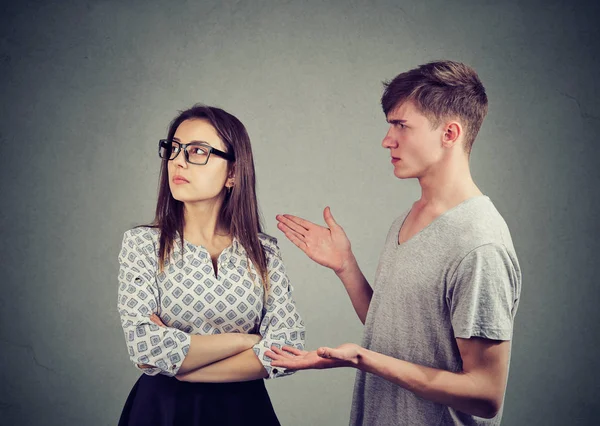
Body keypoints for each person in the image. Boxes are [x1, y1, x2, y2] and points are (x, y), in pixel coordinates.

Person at [266, 60, 521, 425]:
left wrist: (363, 359)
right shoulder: (407, 219)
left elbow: (485, 394)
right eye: (390, 125)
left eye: (401, 125)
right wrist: (346, 266)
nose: (388, 140)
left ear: (450, 134)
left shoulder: (479, 245)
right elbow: (398, 333)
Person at [116, 104, 305, 426]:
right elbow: (146, 349)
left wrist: (185, 367)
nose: (178, 160)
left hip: (245, 413)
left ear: (233, 173)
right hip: (162, 412)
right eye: (173, 149)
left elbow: (288, 349)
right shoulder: (143, 244)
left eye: (198, 151)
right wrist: (250, 340)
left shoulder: (263, 251)